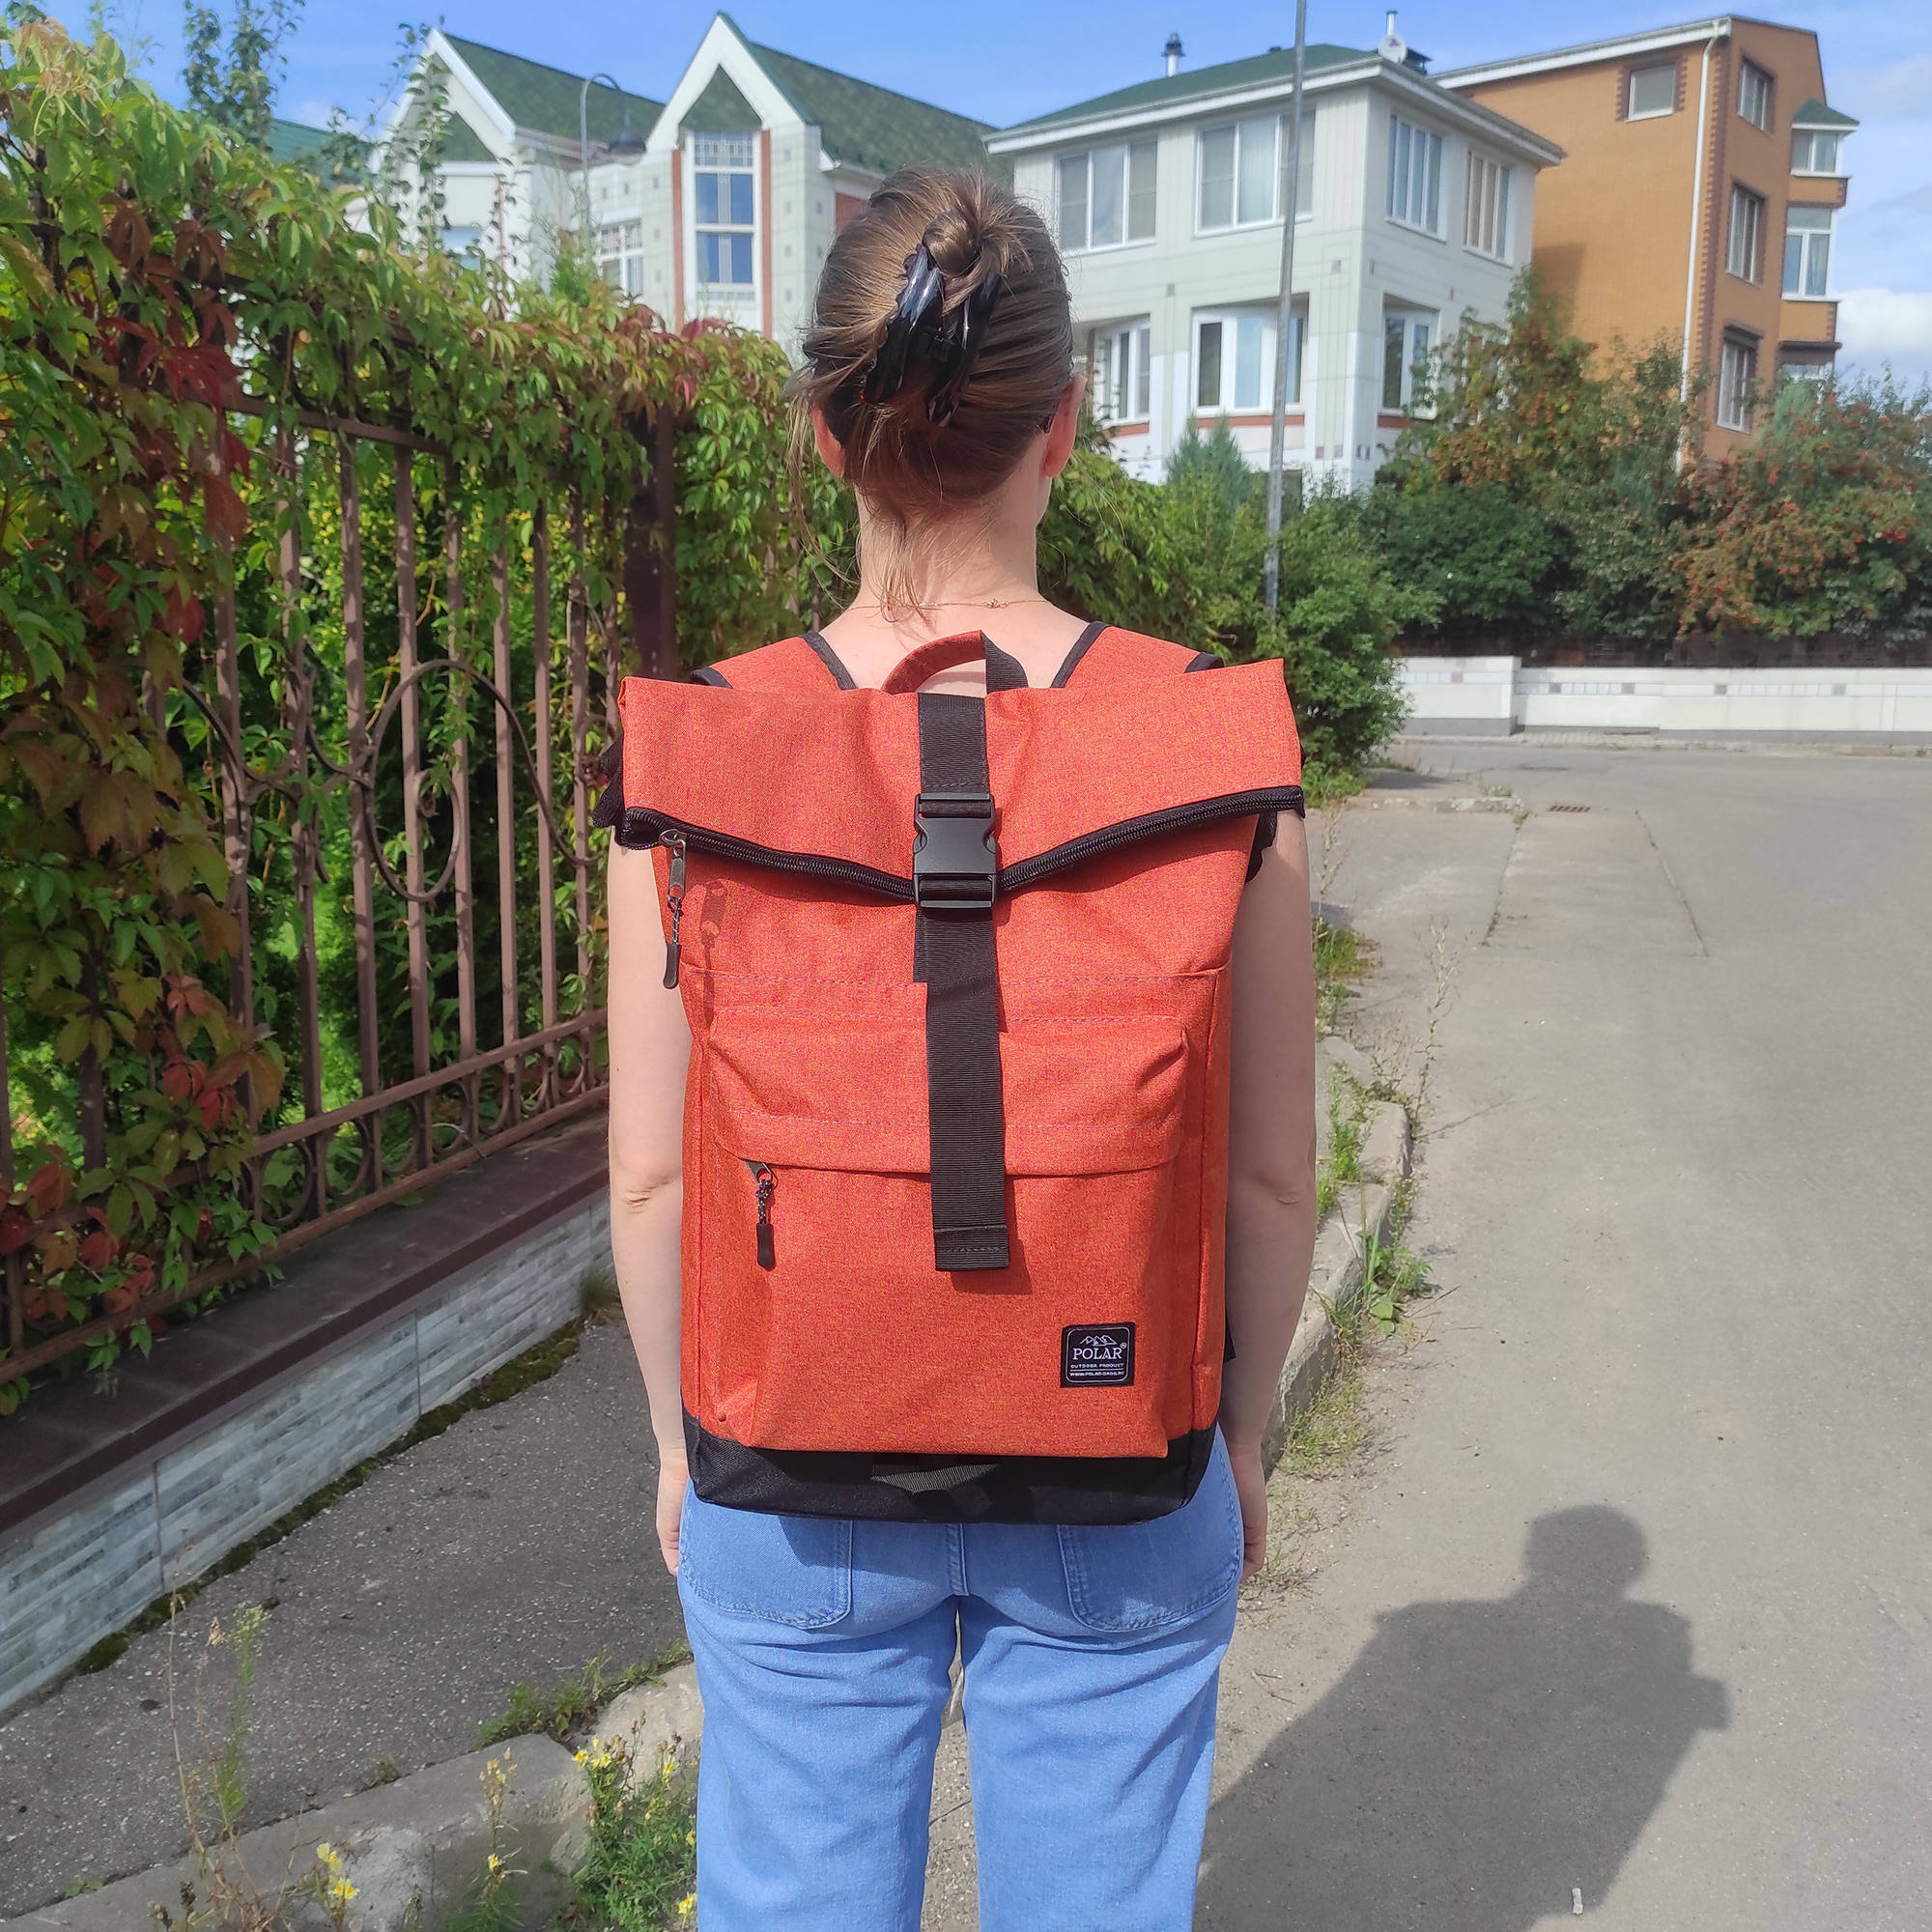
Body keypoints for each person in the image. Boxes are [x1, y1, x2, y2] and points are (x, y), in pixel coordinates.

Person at [605, 166, 1318, 1932]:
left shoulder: (708, 755)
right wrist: (1239, 1435)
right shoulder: (1208, 745)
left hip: (788, 1453)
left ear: (824, 437)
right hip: (1122, 1453)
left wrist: (680, 1443)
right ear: (1064, 423)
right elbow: (1270, 1174)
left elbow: (650, 1178)